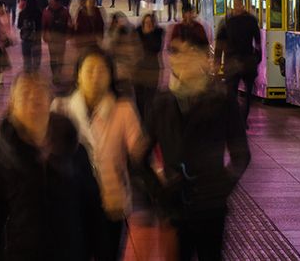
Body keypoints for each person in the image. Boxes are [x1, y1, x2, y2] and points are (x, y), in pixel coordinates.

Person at [0, 73, 101, 260]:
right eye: (25, 94)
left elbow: (93, 207)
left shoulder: (73, 149)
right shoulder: (0, 155)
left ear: (50, 100)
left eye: (40, 92)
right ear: (12, 105)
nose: (33, 98)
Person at [139, 33, 251, 260]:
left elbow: (241, 154)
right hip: (176, 209)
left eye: (192, 53)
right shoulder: (162, 103)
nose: (184, 59)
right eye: (177, 52)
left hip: (211, 209)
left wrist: (221, 188)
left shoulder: (223, 101)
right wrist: (160, 194)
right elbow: (139, 156)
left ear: (203, 59)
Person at [52, 50, 145, 260]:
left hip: (111, 201)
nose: (95, 76)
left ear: (111, 76)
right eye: (90, 70)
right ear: (78, 75)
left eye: (102, 70)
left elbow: (139, 152)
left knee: (108, 255)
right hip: (71, 203)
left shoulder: (123, 109)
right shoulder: (61, 109)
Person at [216, 0, 262, 124]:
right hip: (235, 61)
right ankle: (237, 118)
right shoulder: (229, 21)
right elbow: (220, 43)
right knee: (233, 92)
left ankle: (242, 118)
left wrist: (257, 57)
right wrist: (217, 61)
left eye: (239, 4)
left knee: (245, 93)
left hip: (243, 61)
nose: (237, 7)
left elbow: (257, 41)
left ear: (242, 4)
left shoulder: (245, 21)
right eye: (235, 5)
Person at [132, 13, 165, 121]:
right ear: (142, 23)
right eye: (146, 22)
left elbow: (156, 47)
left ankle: (150, 122)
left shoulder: (157, 34)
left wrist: (149, 34)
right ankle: (141, 121)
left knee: (151, 99)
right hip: (139, 72)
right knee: (139, 100)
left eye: (151, 23)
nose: (148, 25)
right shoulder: (137, 33)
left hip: (152, 71)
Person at [104, 12, 141, 96]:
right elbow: (108, 48)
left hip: (127, 74)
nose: (119, 24)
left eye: (121, 22)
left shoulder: (130, 34)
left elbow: (136, 53)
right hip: (115, 73)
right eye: (116, 22)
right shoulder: (111, 34)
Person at [42, 0, 73, 85]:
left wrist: (69, 34)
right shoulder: (46, 11)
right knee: (53, 57)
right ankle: (55, 74)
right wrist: (44, 34)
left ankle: (58, 74)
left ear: (57, 2)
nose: (51, 3)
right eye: (50, 1)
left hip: (61, 38)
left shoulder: (64, 11)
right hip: (52, 38)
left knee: (60, 57)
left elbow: (69, 23)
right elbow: (44, 25)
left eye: (52, 1)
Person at [16, 0, 46, 74]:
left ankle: (27, 71)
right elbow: (41, 25)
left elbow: (19, 26)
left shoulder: (23, 13)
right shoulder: (38, 12)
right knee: (36, 56)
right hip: (36, 38)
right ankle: (36, 71)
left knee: (27, 57)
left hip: (26, 38)